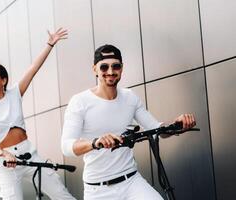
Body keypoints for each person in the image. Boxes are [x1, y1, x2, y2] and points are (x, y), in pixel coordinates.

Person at [61, 44, 196, 200]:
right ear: (95, 69)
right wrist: (95, 142)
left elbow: (157, 129)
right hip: (98, 189)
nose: (110, 72)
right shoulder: (80, 102)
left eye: (115, 66)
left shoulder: (129, 97)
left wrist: (177, 125)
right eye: (104, 67)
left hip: (131, 181)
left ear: (122, 68)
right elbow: (66, 146)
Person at [0, 28, 76, 200]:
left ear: (3, 80)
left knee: (62, 196)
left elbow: (33, 68)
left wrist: (49, 45)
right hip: (7, 162)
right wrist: (3, 153)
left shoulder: (14, 94)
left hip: (30, 153)